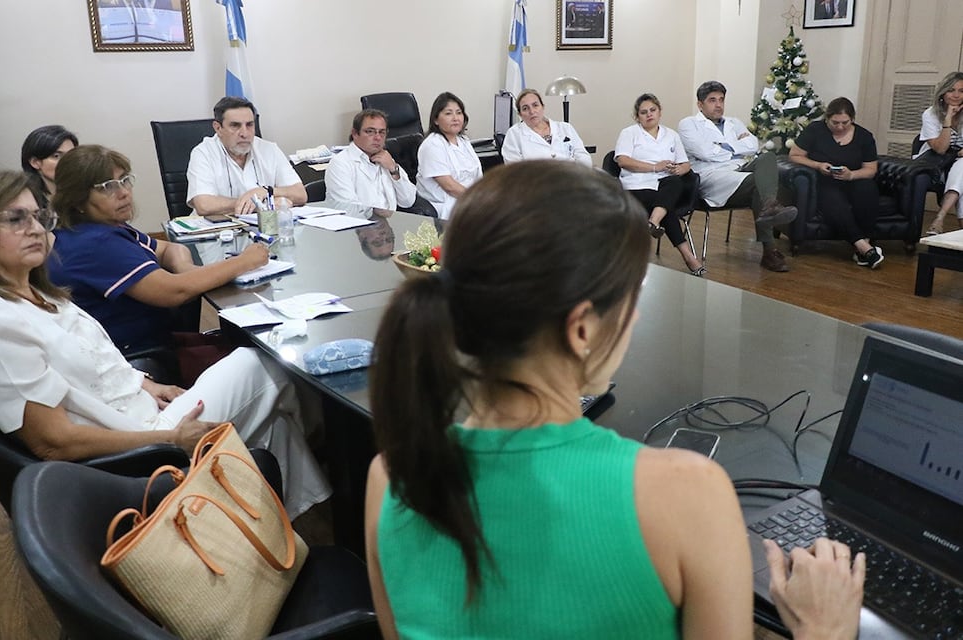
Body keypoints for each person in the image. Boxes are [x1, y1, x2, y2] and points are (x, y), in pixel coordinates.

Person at [363, 160, 865, 638]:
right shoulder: (687, 494)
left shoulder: (390, 477)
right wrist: (824, 629)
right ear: (582, 327)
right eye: (632, 298)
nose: (637, 318)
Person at [0, 169, 330, 519]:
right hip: (137, 450)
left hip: (145, 412)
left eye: (37, 216)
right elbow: (53, 443)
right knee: (263, 365)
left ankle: (296, 528)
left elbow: (95, 364)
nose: (35, 228)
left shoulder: (37, 291)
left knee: (274, 424)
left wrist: (145, 385)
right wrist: (171, 438)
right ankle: (340, 455)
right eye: (15, 218)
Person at [47, 145, 270, 360]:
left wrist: (184, 268)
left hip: (155, 342)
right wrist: (245, 261)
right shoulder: (97, 243)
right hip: (142, 357)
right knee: (260, 360)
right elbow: (174, 291)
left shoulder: (103, 227)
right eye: (108, 187)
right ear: (77, 200)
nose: (124, 193)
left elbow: (169, 248)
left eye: (125, 180)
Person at [678, 81, 798, 273]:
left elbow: (753, 145)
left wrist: (722, 147)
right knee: (759, 184)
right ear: (700, 104)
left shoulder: (734, 122)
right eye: (712, 100)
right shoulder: (688, 124)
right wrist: (736, 147)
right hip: (713, 177)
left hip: (739, 168)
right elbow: (705, 152)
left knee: (768, 157)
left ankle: (769, 205)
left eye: (721, 100)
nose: (718, 105)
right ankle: (769, 250)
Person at [615, 93, 704, 276]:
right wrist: (655, 167)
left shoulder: (671, 135)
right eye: (643, 112)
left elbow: (685, 163)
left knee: (674, 183)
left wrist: (680, 170)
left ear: (660, 112)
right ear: (637, 116)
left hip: (664, 184)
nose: (649, 115)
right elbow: (623, 161)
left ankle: (653, 221)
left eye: (653, 110)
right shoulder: (629, 133)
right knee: (666, 207)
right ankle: (689, 257)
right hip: (636, 184)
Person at [789, 98, 883, 269]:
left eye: (845, 123)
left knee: (868, 188)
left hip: (853, 179)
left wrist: (851, 175)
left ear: (852, 119)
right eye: (835, 123)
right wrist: (818, 165)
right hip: (824, 181)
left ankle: (863, 248)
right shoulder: (815, 130)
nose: (840, 127)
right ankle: (864, 248)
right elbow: (794, 155)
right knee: (832, 199)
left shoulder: (864, 136)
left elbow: (870, 169)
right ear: (827, 118)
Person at [186, 96, 306, 217]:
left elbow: (300, 194)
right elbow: (204, 205)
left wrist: (265, 192)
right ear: (218, 128)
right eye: (235, 125)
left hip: (262, 228)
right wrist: (260, 204)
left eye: (249, 125)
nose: (244, 133)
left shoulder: (269, 149)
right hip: (214, 231)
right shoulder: (203, 153)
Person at [325, 109, 418, 211]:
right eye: (370, 132)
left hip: (388, 223)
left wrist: (393, 170)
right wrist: (378, 213)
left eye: (382, 132)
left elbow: (408, 201)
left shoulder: (387, 160)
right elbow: (348, 208)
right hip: (357, 225)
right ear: (355, 133)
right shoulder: (340, 163)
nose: (378, 137)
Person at [416, 92, 483, 220]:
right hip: (446, 204)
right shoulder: (432, 145)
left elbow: (477, 176)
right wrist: (477, 200)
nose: (455, 118)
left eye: (459, 113)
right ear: (436, 119)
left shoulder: (464, 141)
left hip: (469, 198)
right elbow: (449, 187)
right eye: (448, 113)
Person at [917, 71, 963, 235]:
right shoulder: (930, 114)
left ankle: (940, 218)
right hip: (935, 162)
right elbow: (940, 149)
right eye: (951, 90)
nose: (957, 95)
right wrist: (948, 119)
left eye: (961, 91)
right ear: (943, 92)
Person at [501, 89, 593, 167]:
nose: (532, 111)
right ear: (520, 114)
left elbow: (583, 157)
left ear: (543, 106)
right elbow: (515, 171)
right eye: (525, 108)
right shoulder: (514, 134)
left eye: (535, 105)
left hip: (572, 182)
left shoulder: (565, 128)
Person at [20, 125, 78, 208]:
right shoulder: (26, 201)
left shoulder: (81, 193)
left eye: (71, 155)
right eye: (57, 156)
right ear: (35, 162)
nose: (68, 161)